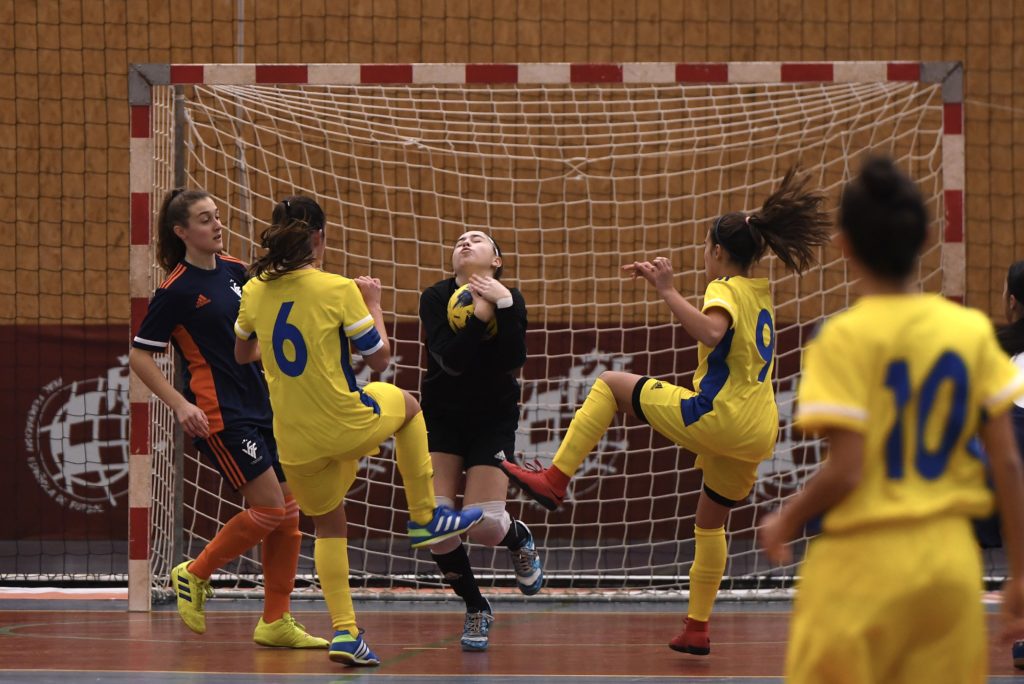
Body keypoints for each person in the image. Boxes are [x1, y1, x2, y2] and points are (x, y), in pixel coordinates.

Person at [502, 167, 832, 654]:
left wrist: (667, 290)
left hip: (718, 415)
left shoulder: (723, 287)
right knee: (710, 522)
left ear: (718, 252)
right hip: (760, 429)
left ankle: (556, 478)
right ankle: (697, 627)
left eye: (706, 247)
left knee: (611, 385)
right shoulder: (759, 294)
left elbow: (714, 333)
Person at [758, 156, 1024, 683]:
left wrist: (786, 519)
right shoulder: (968, 332)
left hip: (862, 566)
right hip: (948, 567)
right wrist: (1020, 572)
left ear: (844, 244)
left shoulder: (841, 338)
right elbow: (1008, 463)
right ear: (926, 237)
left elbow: (848, 470)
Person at [233, 195, 483, 667]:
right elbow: (381, 359)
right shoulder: (338, 287)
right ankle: (426, 516)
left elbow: (243, 354)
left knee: (329, 524)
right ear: (319, 239)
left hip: (294, 441)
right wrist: (373, 302)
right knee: (408, 407)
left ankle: (346, 633)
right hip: (344, 421)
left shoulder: (253, 291)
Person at [129, 189, 327, 649]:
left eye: (217, 216)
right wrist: (181, 405)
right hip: (222, 415)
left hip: (265, 408)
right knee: (270, 509)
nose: (217, 225)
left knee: (289, 515)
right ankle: (193, 573)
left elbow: (262, 327)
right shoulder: (175, 289)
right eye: (204, 219)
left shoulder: (238, 271)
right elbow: (140, 357)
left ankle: (276, 620)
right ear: (182, 232)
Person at [419, 230, 543, 651]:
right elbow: (450, 362)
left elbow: (512, 359)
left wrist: (501, 305)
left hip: (492, 416)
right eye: (458, 241)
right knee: (434, 527)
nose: (465, 243)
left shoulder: (513, 299)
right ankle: (476, 606)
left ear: (496, 261)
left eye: (477, 240)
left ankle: (518, 537)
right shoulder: (435, 298)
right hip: (444, 418)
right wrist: (479, 315)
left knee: (486, 524)